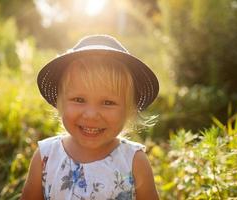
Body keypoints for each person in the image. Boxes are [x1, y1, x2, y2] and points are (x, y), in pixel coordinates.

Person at [20, 35, 160, 200]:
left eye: (108, 102)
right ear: (60, 103)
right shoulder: (46, 157)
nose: (91, 114)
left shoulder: (134, 161)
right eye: (79, 100)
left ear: (129, 110)